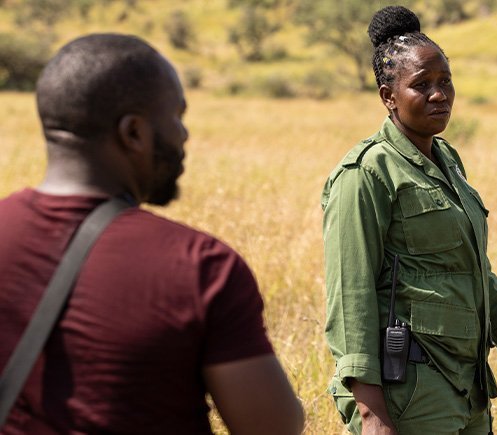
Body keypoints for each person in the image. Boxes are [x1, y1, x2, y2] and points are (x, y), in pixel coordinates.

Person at [321, 6, 497, 435]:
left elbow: (476, 277)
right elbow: (351, 298)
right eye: (421, 85)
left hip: (468, 385)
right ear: (388, 96)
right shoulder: (365, 174)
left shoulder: (447, 161)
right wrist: (371, 415)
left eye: (445, 82)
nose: (439, 95)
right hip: (410, 390)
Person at [0, 34, 304, 434]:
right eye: (176, 116)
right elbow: (274, 427)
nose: (183, 134)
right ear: (134, 133)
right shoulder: (200, 267)